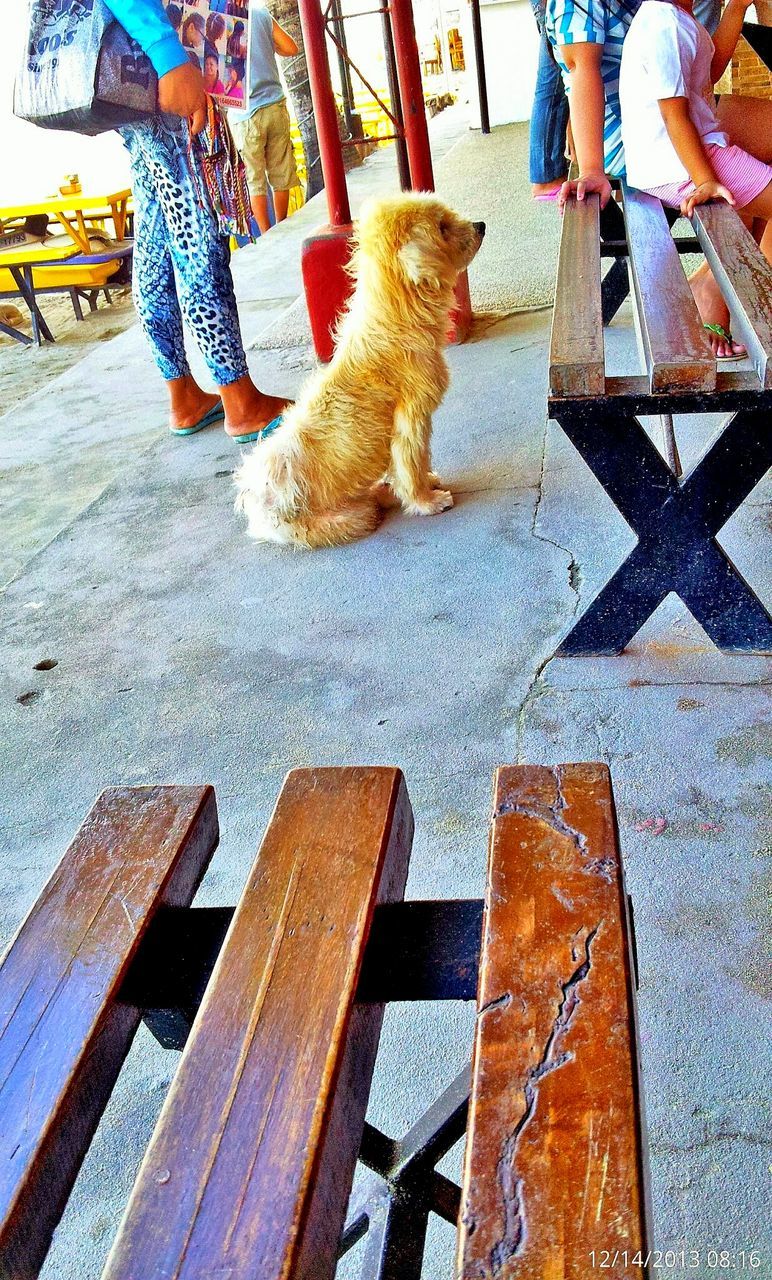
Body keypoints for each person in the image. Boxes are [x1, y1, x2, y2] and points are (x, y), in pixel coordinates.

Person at [102, 0, 288, 441]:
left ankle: (182, 395)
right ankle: (240, 401)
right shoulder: (162, 52)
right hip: (158, 61)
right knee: (194, 230)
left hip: (127, 70)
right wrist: (169, 54)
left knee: (158, 234)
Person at [545, 0, 771, 356]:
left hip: (675, 113)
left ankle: (726, 287)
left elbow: (704, 73)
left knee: (757, 166)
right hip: (645, 133)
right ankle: (745, 300)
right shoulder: (657, 17)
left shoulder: (670, 15)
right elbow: (580, 67)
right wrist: (592, 168)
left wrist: (736, 9)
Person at [619, 0, 772, 355]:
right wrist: (705, 180)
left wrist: (737, 9)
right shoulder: (664, 25)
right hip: (684, 163)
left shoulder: (677, 18)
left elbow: (710, 70)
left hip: (681, 159)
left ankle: (755, 300)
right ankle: (762, 311)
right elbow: (674, 116)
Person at [228, 5, 300, 234]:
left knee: (254, 179)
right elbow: (291, 47)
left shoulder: (218, 20)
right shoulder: (260, 14)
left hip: (244, 113)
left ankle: (266, 232)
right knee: (281, 172)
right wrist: (269, 46)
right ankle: (281, 224)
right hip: (275, 106)